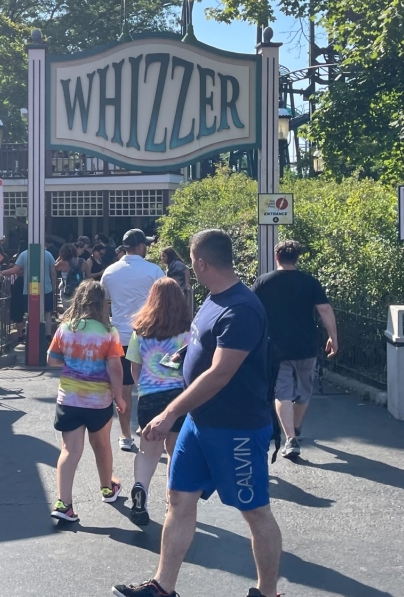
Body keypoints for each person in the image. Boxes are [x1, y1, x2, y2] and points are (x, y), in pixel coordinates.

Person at [114, 229, 281, 597]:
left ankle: (267, 593)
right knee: (179, 498)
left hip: (235, 426)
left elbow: (221, 373)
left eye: (192, 265)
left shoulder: (241, 308)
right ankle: (163, 587)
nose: (190, 272)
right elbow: (201, 346)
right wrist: (182, 357)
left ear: (203, 263)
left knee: (255, 511)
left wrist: (170, 413)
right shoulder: (212, 300)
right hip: (200, 422)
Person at [47, 280, 126, 523]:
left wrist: (72, 361)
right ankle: (106, 488)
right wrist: (119, 396)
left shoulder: (65, 328)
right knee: (101, 445)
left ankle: (64, 503)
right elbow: (115, 366)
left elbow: (52, 360)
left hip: (69, 399)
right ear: (102, 304)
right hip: (98, 401)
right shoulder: (108, 332)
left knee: (70, 450)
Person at [253, 240, 339, 459]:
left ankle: (290, 437)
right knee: (303, 391)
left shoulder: (264, 281)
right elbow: (325, 310)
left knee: (281, 392)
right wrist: (333, 337)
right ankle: (295, 429)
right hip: (306, 345)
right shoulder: (309, 282)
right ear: (297, 258)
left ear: (276, 257)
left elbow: (251, 310)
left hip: (276, 347)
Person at [126, 277, 191, 526]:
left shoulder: (140, 331)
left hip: (149, 398)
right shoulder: (188, 331)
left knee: (147, 451)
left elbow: (135, 369)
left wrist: (144, 388)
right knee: (176, 452)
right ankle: (171, 505)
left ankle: (140, 489)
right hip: (180, 399)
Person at [100, 229, 164, 451]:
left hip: (121, 337)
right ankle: (151, 430)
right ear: (138, 246)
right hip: (150, 336)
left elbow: (103, 303)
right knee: (152, 386)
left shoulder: (109, 272)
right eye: (144, 244)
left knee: (123, 390)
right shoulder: (154, 271)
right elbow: (165, 302)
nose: (146, 247)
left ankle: (125, 436)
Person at [1, 246, 57, 341]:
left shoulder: (24, 254)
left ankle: (31, 334)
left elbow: (14, 270)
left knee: (30, 312)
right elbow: (53, 272)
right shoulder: (48, 254)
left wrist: (3, 272)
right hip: (47, 288)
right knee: (47, 313)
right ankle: (48, 336)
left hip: (29, 289)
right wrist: (53, 286)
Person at [54, 242, 84, 308]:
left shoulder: (62, 263)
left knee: (67, 313)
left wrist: (60, 257)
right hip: (80, 291)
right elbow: (88, 275)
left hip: (67, 293)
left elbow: (53, 267)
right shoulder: (83, 262)